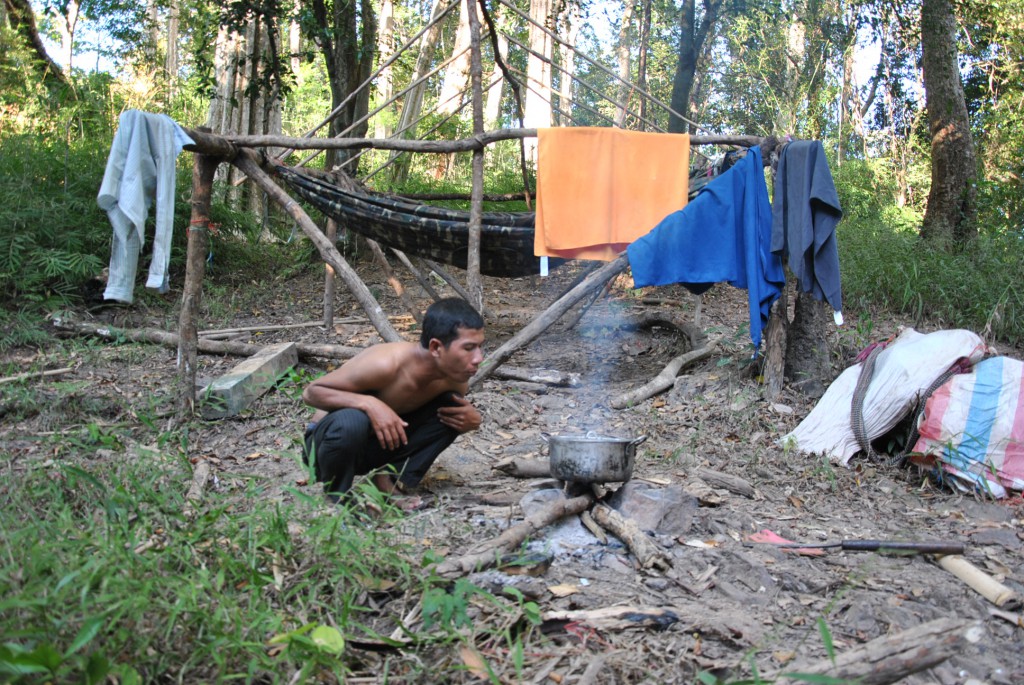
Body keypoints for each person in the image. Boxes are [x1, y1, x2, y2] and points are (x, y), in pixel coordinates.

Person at [301, 297, 485, 509]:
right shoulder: (386, 363)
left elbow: (436, 425)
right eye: (469, 348)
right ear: (436, 347)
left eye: (480, 347)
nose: (478, 358)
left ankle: (387, 480)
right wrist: (370, 403)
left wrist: (471, 422)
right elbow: (311, 392)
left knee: (454, 410)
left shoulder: (454, 378)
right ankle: (337, 496)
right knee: (353, 418)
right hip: (326, 447)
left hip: (375, 446)